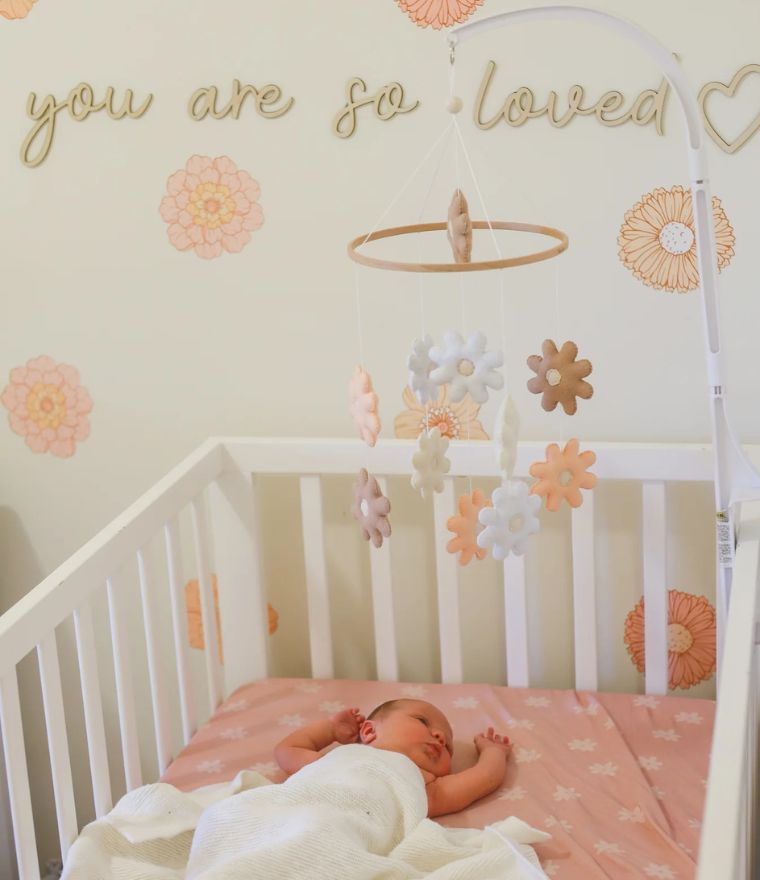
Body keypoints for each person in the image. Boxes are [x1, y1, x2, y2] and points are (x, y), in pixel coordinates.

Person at [274, 698, 512, 817]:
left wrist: (493, 751)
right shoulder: (337, 759)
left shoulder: (424, 785)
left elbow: (484, 778)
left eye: (449, 748)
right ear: (369, 731)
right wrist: (330, 730)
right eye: (423, 722)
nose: (440, 737)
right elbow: (287, 751)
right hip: (293, 815)